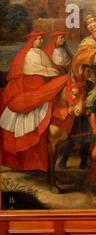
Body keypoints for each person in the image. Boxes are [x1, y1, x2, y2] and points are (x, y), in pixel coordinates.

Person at [0, 31, 67, 172]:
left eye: (42, 38)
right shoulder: (29, 53)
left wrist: (53, 71)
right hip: (31, 86)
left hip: (42, 83)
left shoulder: (41, 52)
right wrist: (52, 72)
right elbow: (34, 69)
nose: (41, 40)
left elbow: (49, 68)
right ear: (32, 40)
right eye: (38, 38)